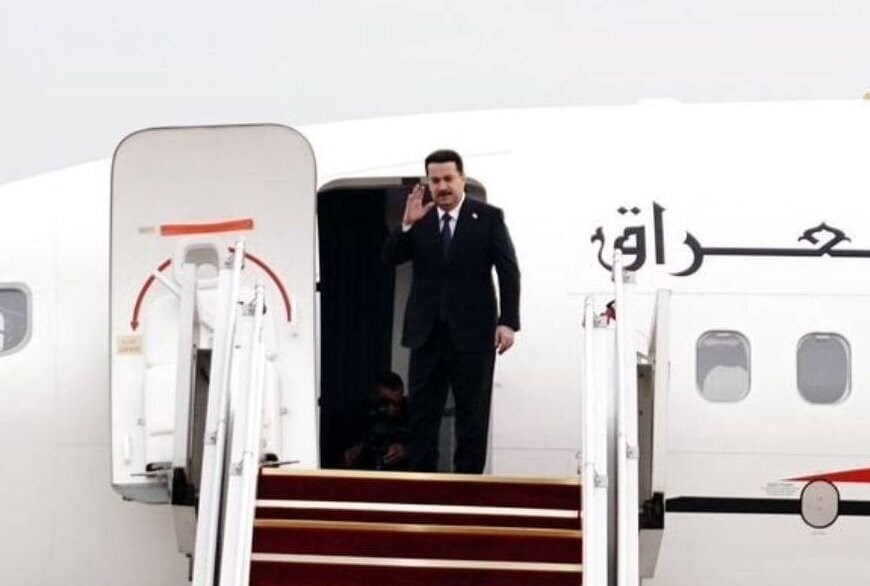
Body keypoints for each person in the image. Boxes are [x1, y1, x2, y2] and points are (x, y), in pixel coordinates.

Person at [382, 149, 520, 474]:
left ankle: (467, 488)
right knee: (422, 417)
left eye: (448, 179)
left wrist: (508, 322)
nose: (442, 186)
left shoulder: (488, 217)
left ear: (462, 179)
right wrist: (406, 225)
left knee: (472, 416)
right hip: (426, 334)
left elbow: (508, 270)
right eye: (435, 180)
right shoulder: (420, 219)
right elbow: (390, 258)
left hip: (473, 335)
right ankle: (423, 487)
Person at [343, 371, 409, 471]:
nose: (392, 409)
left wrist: (406, 452)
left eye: (397, 404)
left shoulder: (410, 415)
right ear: (373, 396)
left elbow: (423, 448)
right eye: (385, 402)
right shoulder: (355, 417)